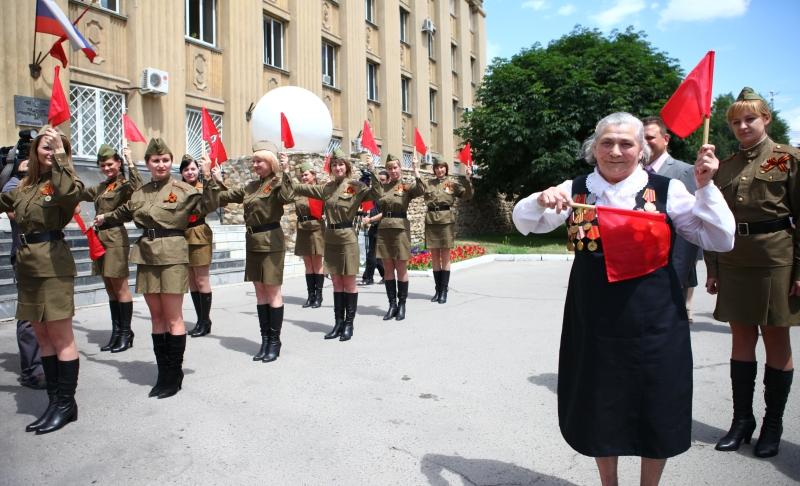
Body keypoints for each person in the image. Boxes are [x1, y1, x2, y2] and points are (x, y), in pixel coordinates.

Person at [512, 112, 735, 486]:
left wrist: (707, 188)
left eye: (626, 143)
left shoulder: (667, 190)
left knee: (657, 407)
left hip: (656, 322)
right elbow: (525, 222)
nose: (615, 151)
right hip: (594, 322)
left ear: (642, 150)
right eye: (607, 143)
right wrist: (539, 198)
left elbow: (720, 239)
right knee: (601, 408)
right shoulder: (576, 188)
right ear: (594, 148)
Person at [704, 87, 800, 458]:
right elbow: (714, 221)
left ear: (766, 119)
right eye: (735, 122)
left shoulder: (788, 160)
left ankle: (772, 425)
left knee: (776, 339)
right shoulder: (724, 166)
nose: (742, 126)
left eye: (749, 119)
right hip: (734, 259)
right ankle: (741, 421)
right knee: (741, 339)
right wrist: (712, 266)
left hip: (777, 258)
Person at [93, 138, 220, 399]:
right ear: (148, 164)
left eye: (165, 160)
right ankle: (163, 373)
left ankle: (174, 374)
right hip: (147, 253)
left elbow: (209, 203)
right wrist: (104, 218)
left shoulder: (184, 189)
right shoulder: (141, 192)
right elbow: (124, 211)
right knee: (156, 317)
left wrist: (209, 178)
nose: (160, 165)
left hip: (173, 252)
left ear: (170, 162)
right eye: (155, 160)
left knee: (173, 316)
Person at [0, 126, 85, 434]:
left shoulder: (66, 182)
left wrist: (61, 155)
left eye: (56, 148)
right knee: (43, 337)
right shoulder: (24, 186)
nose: (50, 152)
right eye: (45, 147)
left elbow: (69, 192)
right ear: (35, 151)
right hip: (27, 265)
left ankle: (66, 405)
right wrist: (8, 167)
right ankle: (54, 401)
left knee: (61, 337)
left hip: (53, 263)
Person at [281, 148, 382, 341]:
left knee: (349, 282)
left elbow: (377, 192)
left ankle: (349, 324)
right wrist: (285, 170)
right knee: (336, 282)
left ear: (347, 167)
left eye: (341, 164)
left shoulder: (356, 186)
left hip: (347, 238)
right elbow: (299, 188)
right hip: (331, 238)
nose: (338, 167)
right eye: (335, 164)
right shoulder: (326, 188)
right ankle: (337, 322)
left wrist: (372, 169)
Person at [216, 141, 292, 362]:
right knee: (260, 293)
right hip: (253, 241)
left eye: (259, 161)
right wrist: (215, 181)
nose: (255, 164)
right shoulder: (251, 186)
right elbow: (227, 196)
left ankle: (275, 342)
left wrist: (286, 172)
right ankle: (265, 339)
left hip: (271, 241)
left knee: (272, 292)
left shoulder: (278, 183)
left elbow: (287, 198)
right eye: (254, 161)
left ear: (270, 162)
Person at [78, 144, 142, 353]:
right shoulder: (102, 187)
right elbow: (80, 193)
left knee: (120, 286)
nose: (106, 168)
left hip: (115, 237)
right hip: (100, 238)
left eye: (110, 164)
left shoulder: (124, 184)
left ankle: (126, 332)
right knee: (110, 287)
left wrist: (130, 161)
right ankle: (116, 332)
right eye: (103, 165)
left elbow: (139, 187)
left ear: (118, 163)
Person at [642, 116, 701, 322]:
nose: (645, 142)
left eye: (650, 137)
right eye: (641, 137)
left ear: (665, 139)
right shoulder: (632, 172)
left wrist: (680, 272)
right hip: (639, 263)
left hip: (670, 265)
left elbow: (691, 225)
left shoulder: (684, 171)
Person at [3, 158, 45, 389]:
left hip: (46, 255)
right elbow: (14, 214)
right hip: (24, 254)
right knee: (29, 315)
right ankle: (32, 370)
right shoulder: (12, 184)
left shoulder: (45, 183)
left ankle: (45, 362)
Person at [376, 155, 424, 321]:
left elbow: (421, 190)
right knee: (388, 268)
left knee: (401, 267)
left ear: (400, 168)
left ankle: (402, 304)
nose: (393, 170)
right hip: (384, 228)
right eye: (390, 168)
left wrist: (416, 170)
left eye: (395, 167)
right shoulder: (383, 187)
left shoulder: (406, 186)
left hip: (401, 228)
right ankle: (392, 305)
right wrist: (370, 169)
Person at [420, 156, 473, 304]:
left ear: (446, 169)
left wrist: (468, 179)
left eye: (442, 167)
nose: (439, 170)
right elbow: (417, 187)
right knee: (435, 256)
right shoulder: (428, 183)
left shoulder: (452, 184)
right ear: (434, 170)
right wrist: (414, 169)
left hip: (446, 220)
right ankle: (437, 290)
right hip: (431, 220)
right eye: (437, 167)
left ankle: (444, 290)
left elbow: (467, 195)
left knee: (445, 255)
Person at [180, 154, 215, 338]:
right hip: (183, 236)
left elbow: (211, 201)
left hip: (199, 233)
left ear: (198, 170)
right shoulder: (177, 189)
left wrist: (208, 176)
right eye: (186, 169)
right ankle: (200, 319)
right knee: (192, 281)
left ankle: (205, 320)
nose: (190, 172)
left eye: (193, 168)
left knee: (201, 279)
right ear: (181, 172)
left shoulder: (203, 188)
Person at [292, 161, 325, 309]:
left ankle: (318, 295)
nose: (303, 177)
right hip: (302, 227)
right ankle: (310, 295)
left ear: (313, 175)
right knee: (307, 263)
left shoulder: (319, 190)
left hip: (316, 228)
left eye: (306, 175)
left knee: (317, 263)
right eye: (302, 175)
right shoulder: (298, 191)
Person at [359, 170, 387, 286]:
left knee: (373, 254)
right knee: (374, 254)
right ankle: (384, 276)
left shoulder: (386, 195)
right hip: (374, 227)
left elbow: (385, 213)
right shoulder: (374, 194)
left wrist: (370, 220)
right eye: (378, 180)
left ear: (388, 180)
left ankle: (369, 277)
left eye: (383, 180)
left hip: (382, 227)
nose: (380, 182)